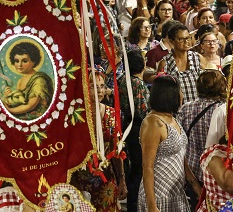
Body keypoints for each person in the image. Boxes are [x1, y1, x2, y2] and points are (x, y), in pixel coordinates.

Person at [70, 69, 126, 211]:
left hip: (106, 179)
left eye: (102, 86)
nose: (100, 90)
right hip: (80, 179)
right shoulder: (76, 114)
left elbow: (116, 150)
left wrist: (122, 179)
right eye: (94, 86)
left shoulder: (111, 113)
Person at [138, 75, 189, 212]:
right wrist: (152, 206)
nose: (182, 95)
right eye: (180, 91)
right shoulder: (153, 123)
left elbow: (181, 155)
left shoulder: (173, 118)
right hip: (158, 196)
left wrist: (194, 184)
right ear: (169, 94)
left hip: (176, 193)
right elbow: (147, 166)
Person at [177, 70, 226, 207]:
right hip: (216, 172)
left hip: (191, 172)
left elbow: (179, 141)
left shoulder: (186, 108)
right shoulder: (224, 110)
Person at [118, 50, 149, 211]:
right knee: (138, 168)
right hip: (137, 127)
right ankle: (134, 204)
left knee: (133, 167)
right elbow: (142, 110)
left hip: (126, 124)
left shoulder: (122, 79)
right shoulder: (138, 83)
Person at [0, 41, 53, 120]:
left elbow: (30, 105)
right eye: (17, 61)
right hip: (23, 112)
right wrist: (10, 95)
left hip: (38, 116)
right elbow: (20, 100)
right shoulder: (20, 80)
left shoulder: (39, 80)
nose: (19, 65)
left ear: (34, 61)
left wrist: (9, 110)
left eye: (24, 61)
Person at [160, 22, 202, 104]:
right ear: (172, 42)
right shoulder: (166, 63)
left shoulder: (197, 58)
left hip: (197, 108)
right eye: (181, 39)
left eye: (188, 38)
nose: (186, 41)